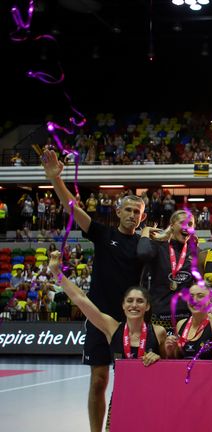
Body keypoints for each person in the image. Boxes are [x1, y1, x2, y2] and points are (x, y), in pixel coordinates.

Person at [41, 149, 146, 432]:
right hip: (99, 319)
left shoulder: (145, 245)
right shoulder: (103, 234)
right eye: (128, 209)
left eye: (138, 212)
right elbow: (73, 208)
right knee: (99, 380)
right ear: (118, 211)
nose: (132, 215)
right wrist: (55, 180)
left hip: (130, 324)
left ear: (142, 217)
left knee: (130, 383)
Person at [49, 251, 165, 363]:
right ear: (123, 305)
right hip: (121, 384)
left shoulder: (158, 332)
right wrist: (56, 272)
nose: (134, 305)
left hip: (149, 383)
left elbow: (170, 364)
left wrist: (158, 358)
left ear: (147, 306)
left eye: (140, 301)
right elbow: (80, 299)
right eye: (129, 301)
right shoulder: (112, 328)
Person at [138, 209, 197, 331]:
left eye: (190, 224)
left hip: (185, 318)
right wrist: (145, 232)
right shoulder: (158, 247)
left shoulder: (195, 253)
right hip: (160, 318)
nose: (186, 227)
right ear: (172, 226)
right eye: (182, 223)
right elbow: (143, 253)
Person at [163, 284, 212, 360]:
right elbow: (176, 359)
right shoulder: (180, 324)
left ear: (210, 300)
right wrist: (170, 352)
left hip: (206, 372)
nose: (194, 300)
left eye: (200, 296)